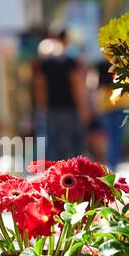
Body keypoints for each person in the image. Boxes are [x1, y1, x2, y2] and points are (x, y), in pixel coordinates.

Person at [34, 29, 90, 160]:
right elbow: (77, 86)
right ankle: (73, 176)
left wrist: (41, 108)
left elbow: (40, 87)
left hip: (52, 109)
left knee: (53, 144)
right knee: (73, 144)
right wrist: (83, 108)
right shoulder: (71, 62)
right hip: (70, 108)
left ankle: (53, 175)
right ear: (66, 40)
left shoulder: (45, 63)